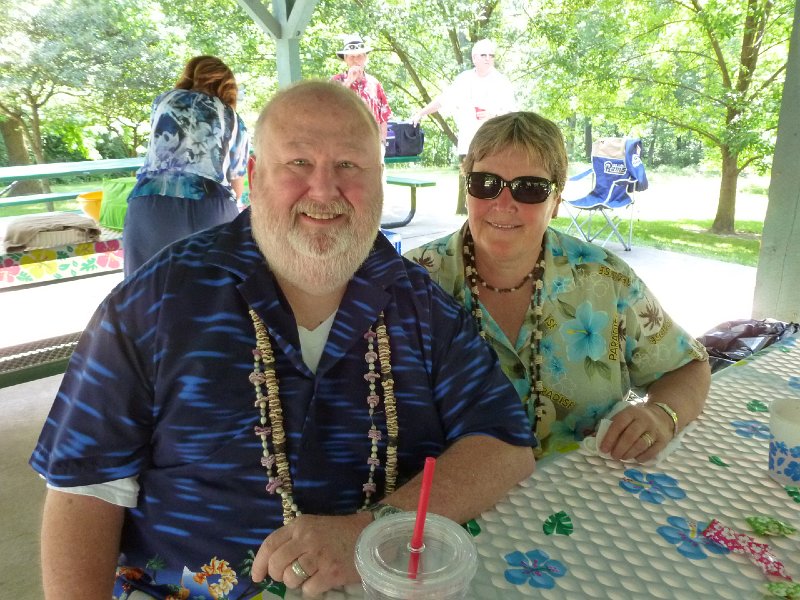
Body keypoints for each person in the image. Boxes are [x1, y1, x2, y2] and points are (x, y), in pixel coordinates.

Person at [30, 80, 534, 599]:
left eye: (349, 166)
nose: (323, 189)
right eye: (297, 163)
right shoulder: (154, 302)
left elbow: (504, 444)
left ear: (380, 181)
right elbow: (83, 489)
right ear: (252, 177)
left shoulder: (422, 306)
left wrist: (373, 528)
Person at [405, 111, 711, 462]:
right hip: (450, 506)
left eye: (530, 188)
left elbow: (688, 365)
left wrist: (662, 414)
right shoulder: (411, 282)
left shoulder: (606, 277)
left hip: (587, 498)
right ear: (467, 190)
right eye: (486, 183)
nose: (504, 204)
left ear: (556, 203)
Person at [123, 55, 250, 277]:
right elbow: (237, 183)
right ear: (228, 86)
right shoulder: (233, 118)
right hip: (212, 207)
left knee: (144, 291)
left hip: (151, 204)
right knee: (215, 293)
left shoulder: (163, 102)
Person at [411, 39, 516, 159]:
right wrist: (420, 113)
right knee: (468, 178)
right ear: (474, 58)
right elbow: (442, 100)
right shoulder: (464, 79)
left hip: (494, 146)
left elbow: (513, 114)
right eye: (484, 55)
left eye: (491, 55)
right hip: (468, 146)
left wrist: (494, 115)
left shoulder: (502, 82)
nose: (488, 58)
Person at [331, 34, 392, 146]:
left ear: (365, 58)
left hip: (371, 143)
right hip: (343, 143)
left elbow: (384, 116)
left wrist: (382, 142)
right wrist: (349, 81)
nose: (355, 60)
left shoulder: (374, 83)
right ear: (345, 59)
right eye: (351, 57)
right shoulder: (336, 81)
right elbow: (328, 107)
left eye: (359, 56)